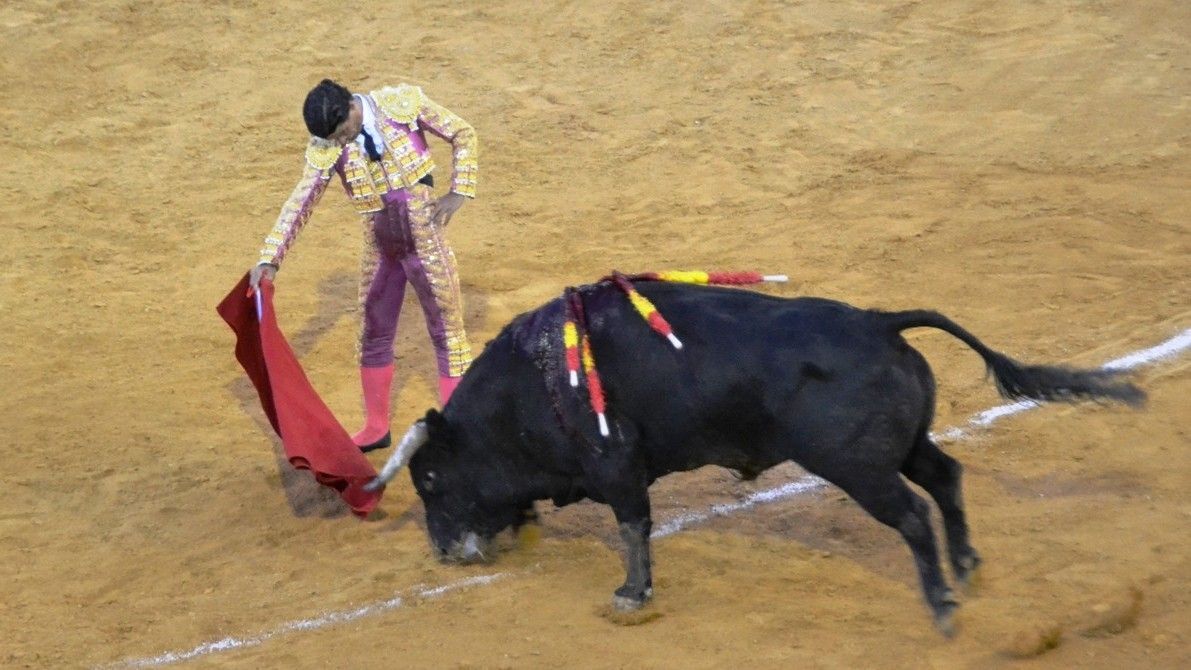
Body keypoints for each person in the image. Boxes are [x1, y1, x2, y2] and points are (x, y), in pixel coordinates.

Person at [249, 79, 477, 453]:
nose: (340, 143)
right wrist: (270, 258)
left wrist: (458, 191)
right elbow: (302, 198)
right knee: (373, 332)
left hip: (425, 239)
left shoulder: (400, 106)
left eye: (343, 133)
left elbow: (462, 133)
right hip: (381, 245)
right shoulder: (329, 143)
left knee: (447, 334)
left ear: (353, 109)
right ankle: (375, 427)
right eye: (334, 139)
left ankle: (461, 436)